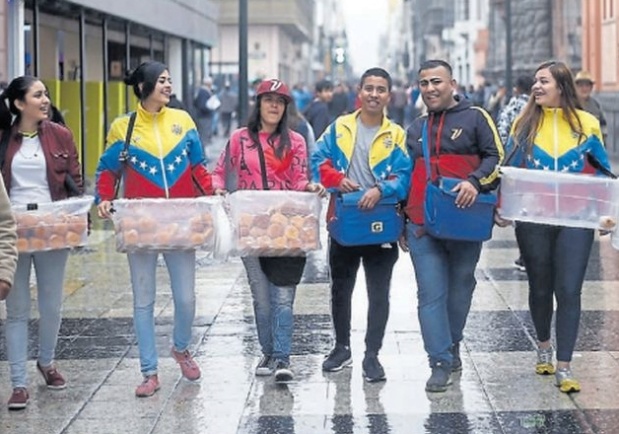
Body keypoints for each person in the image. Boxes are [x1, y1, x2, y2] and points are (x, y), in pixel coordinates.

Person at [95, 61, 213, 397]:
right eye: (161, 80)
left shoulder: (183, 121)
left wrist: (214, 190)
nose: (168, 86)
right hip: (140, 226)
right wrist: (104, 199)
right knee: (143, 301)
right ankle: (149, 371)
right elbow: (108, 170)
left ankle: (180, 347)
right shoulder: (124, 127)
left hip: (180, 222)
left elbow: (198, 168)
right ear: (144, 86)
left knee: (187, 299)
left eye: (169, 80)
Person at [502, 60, 611, 394]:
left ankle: (564, 365)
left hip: (575, 221)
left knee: (569, 290)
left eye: (543, 81)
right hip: (534, 220)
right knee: (539, 288)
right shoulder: (523, 125)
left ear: (561, 86)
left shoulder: (587, 124)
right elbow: (509, 170)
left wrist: (606, 212)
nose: (536, 87)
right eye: (535, 81)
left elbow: (602, 172)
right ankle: (544, 345)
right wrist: (504, 208)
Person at [212, 78, 324, 383]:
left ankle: (283, 358)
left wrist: (311, 187)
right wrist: (218, 190)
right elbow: (220, 172)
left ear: (286, 107)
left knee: (283, 298)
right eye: (268, 99)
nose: (274, 105)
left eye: (280, 100)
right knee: (261, 298)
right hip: (250, 228)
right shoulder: (239, 139)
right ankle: (269, 352)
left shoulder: (296, 141)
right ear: (258, 104)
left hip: (287, 228)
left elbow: (300, 179)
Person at [403, 59, 503, 393]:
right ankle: (440, 360)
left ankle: (452, 341)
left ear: (452, 84)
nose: (430, 88)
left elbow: (496, 158)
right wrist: (403, 217)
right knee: (430, 294)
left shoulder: (477, 117)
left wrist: (475, 182)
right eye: (424, 83)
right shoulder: (415, 128)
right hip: (422, 226)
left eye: (436, 82)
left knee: (461, 288)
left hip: (464, 222)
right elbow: (406, 176)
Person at [312, 67, 411, 382]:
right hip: (345, 221)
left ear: (388, 95)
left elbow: (404, 176)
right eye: (369, 88)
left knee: (379, 292)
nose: (374, 94)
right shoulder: (339, 127)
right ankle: (341, 348)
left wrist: (381, 189)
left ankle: (372, 354)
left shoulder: (396, 134)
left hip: (381, 222)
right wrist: (337, 180)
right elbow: (317, 161)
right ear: (359, 91)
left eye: (380, 89)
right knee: (341, 289)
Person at [0, 76, 84, 410]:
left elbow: (75, 179)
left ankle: (46, 362)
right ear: (20, 103)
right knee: (16, 309)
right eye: (38, 95)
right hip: (12, 231)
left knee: (51, 305)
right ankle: (18, 383)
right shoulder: (4, 139)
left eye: (46, 94)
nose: (46, 100)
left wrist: (80, 222)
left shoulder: (60, 134)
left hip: (53, 229)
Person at [496, 74, 534, 272]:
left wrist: (501, 161)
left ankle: (525, 255)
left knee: (520, 209)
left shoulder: (511, 107)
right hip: (536, 165)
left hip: (515, 165)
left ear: (517, 88)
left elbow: (502, 133)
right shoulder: (540, 106)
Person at [575, 71, 608, 143]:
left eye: (587, 85)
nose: (584, 89)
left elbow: (603, 125)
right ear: (576, 87)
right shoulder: (570, 104)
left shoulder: (595, 105)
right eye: (581, 85)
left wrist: (602, 141)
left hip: (592, 146)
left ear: (591, 87)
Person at [193, 77, 215, 146]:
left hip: (202, 116)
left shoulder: (201, 91)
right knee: (204, 135)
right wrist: (210, 108)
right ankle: (204, 153)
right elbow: (202, 106)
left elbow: (195, 103)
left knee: (203, 134)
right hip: (204, 117)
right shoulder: (204, 92)